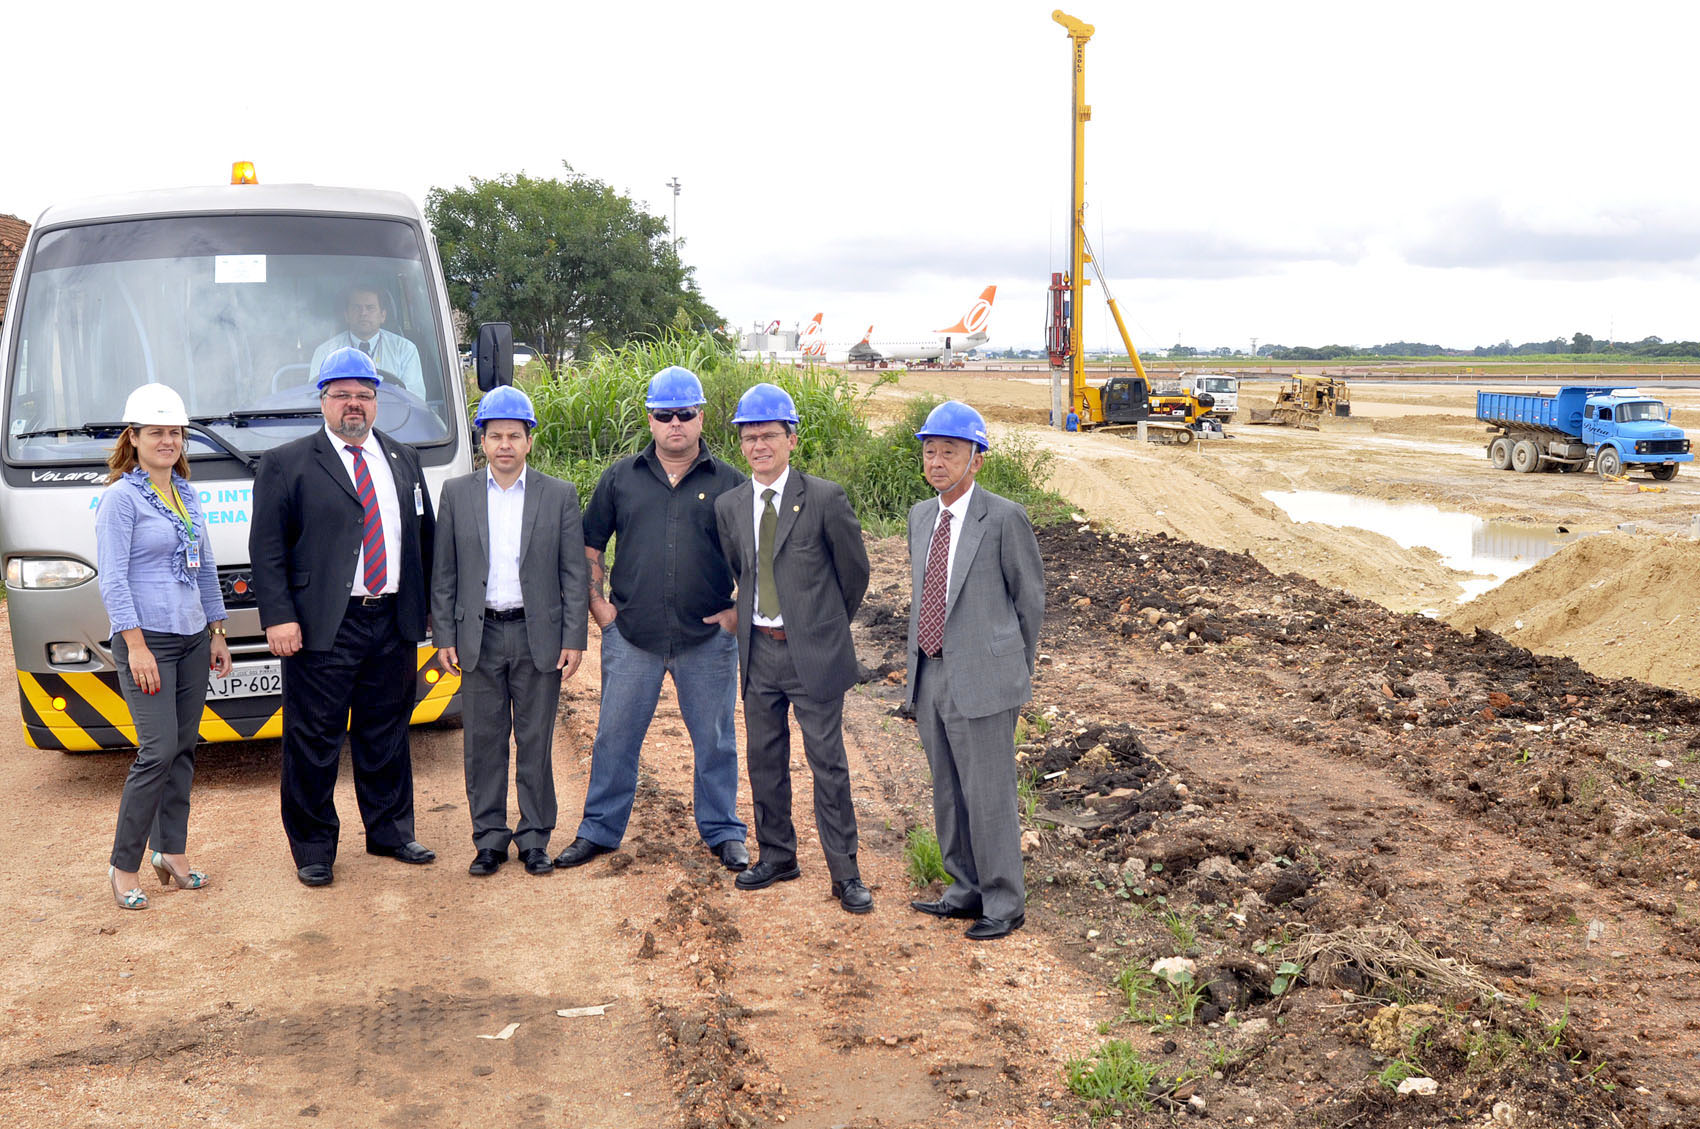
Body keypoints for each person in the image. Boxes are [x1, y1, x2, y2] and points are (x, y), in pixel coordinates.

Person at [250, 347, 437, 887]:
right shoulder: (286, 463)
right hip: (322, 625)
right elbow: (267, 549)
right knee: (314, 739)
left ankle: (391, 832)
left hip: (393, 621)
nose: (354, 404)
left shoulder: (403, 458)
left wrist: (427, 610)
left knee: (387, 734)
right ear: (323, 401)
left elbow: (424, 538)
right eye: (342, 395)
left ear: (377, 402)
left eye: (364, 395)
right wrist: (278, 617)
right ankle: (313, 847)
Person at [554, 366, 751, 872]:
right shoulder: (620, 478)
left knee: (715, 741)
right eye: (664, 415)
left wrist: (737, 613)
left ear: (701, 417)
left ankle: (723, 831)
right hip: (632, 637)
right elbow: (590, 545)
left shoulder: (731, 483)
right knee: (615, 737)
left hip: (706, 639)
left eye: (684, 413)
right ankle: (599, 830)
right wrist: (599, 609)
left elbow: (756, 556)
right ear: (650, 420)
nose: (675, 423)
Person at [712, 383, 873, 913]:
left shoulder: (824, 498)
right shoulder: (731, 505)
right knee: (764, 759)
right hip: (759, 653)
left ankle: (845, 874)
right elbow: (741, 569)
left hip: (813, 654)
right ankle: (778, 855)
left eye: (769, 436)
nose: (759, 446)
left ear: (791, 439)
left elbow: (854, 574)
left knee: (827, 763)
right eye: (749, 437)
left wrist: (821, 627)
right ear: (741, 444)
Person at [431, 385, 587, 877]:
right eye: (495, 435)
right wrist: (444, 637)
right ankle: (490, 840)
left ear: (529, 441)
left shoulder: (558, 495)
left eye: (514, 436)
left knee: (535, 742)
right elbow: (444, 573)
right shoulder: (457, 494)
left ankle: (535, 838)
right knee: (483, 742)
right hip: (479, 636)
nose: (504, 445)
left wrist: (574, 638)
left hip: (537, 635)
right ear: (482, 441)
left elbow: (573, 573)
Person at [904, 401, 1044, 940]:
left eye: (950, 451)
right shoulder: (921, 517)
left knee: (989, 794)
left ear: (976, 459)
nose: (937, 461)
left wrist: (1010, 673)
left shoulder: (1003, 518)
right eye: (930, 451)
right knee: (948, 789)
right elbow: (924, 597)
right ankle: (964, 889)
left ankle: (1004, 903)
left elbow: (1029, 602)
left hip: (986, 679)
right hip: (932, 672)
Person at [95, 384, 232, 909]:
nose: (168, 441)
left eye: (175, 432)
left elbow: (206, 567)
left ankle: (170, 852)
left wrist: (217, 632)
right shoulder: (121, 499)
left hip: (192, 636)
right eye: (156, 432)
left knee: (182, 748)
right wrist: (135, 647)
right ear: (133, 438)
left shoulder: (186, 494)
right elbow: (113, 579)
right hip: (146, 640)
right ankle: (123, 866)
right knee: (155, 752)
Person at [307, 285, 426, 400]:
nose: (363, 313)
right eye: (356, 308)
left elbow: (415, 399)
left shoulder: (405, 349)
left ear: (383, 316)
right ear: (347, 315)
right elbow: (315, 398)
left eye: (370, 308)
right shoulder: (325, 352)